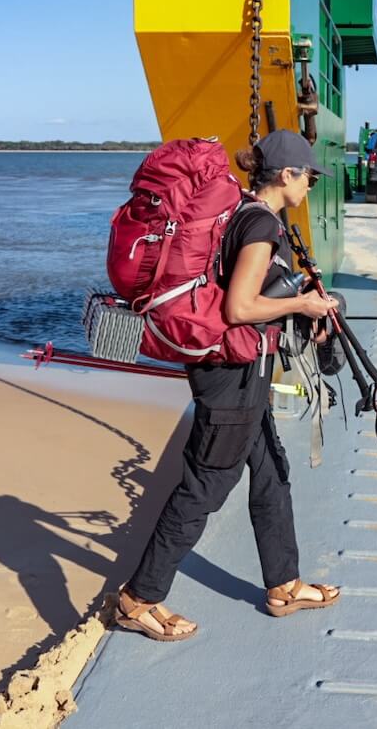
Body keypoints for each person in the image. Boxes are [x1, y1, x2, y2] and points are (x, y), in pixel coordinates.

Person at [116, 131, 341, 642]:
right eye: (308, 175)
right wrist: (301, 306)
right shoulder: (260, 223)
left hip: (244, 371)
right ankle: (138, 598)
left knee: (270, 474)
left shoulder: (244, 212)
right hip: (229, 379)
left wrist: (295, 294)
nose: (310, 184)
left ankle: (284, 584)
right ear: (286, 175)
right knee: (204, 486)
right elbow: (239, 308)